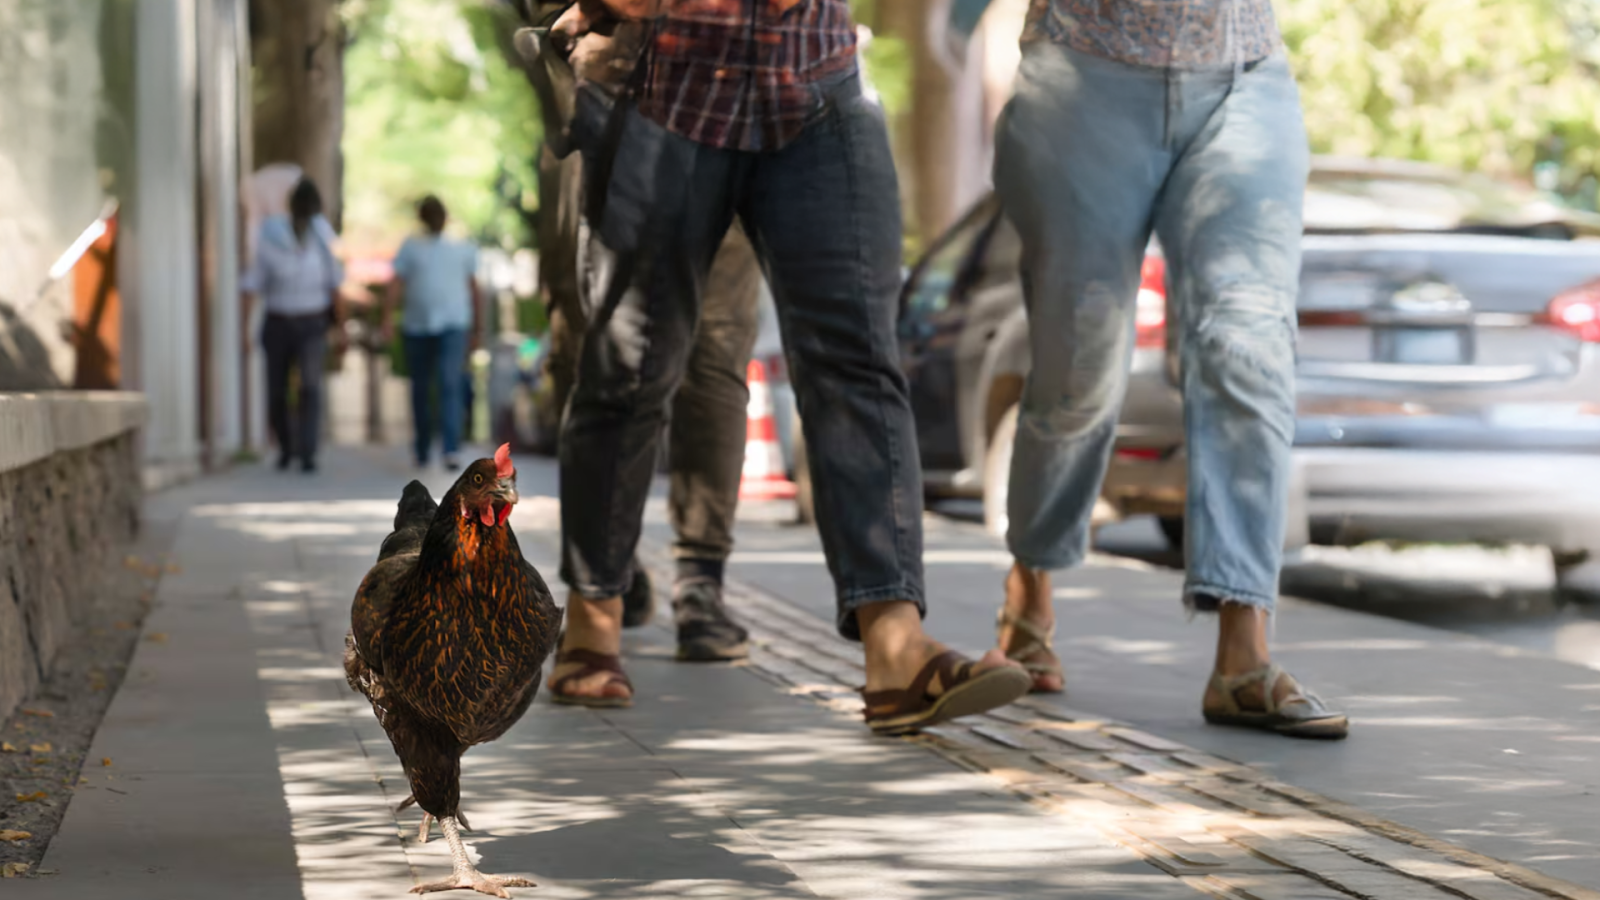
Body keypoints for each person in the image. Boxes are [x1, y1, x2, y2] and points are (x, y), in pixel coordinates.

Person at [547, 0, 1032, 732]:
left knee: (857, 363)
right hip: (663, 85)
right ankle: (594, 617)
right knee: (630, 367)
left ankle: (896, 650)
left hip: (814, 80)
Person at [990, 0, 1347, 738]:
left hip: (1242, 73)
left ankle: (1244, 655)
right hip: (1084, 76)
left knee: (1249, 342)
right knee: (1081, 365)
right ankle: (1031, 580)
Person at [531, 8, 760, 661]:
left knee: (707, 352)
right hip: (613, 89)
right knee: (598, 346)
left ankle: (693, 582)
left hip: (716, 94)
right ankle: (619, 572)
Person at [241, 177, 345, 474]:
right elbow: (253, 284)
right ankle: (286, 446)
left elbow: (334, 284)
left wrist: (340, 327)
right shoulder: (271, 234)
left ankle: (308, 450)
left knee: (310, 386)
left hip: (312, 321)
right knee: (277, 387)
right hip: (278, 320)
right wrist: (244, 329)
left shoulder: (321, 236)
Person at [381, 196, 482, 471]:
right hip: (417, 326)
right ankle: (423, 446)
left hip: (453, 325)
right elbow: (396, 282)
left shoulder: (462, 247)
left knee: (450, 382)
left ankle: (451, 448)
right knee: (421, 387)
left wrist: (477, 328)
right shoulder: (410, 247)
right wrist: (387, 318)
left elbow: (474, 288)